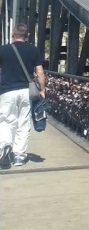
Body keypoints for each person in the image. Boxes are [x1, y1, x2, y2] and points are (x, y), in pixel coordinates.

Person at [0, 23, 46, 167]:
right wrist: (42, 90)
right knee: (23, 122)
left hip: (7, 91)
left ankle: (5, 147)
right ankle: (19, 155)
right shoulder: (33, 50)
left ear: (12, 35)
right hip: (26, 91)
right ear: (27, 36)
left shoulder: (3, 50)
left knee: (6, 121)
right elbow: (40, 73)